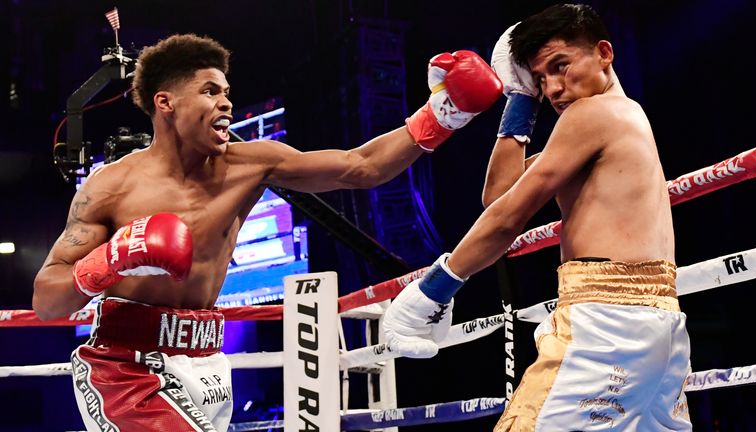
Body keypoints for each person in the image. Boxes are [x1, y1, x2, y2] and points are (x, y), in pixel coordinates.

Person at [32, 34, 502, 431]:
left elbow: (362, 166)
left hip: (208, 363)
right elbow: (47, 299)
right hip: (125, 366)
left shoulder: (250, 164)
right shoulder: (110, 186)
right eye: (210, 91)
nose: (226, 102)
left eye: (227, 91)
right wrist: (108, 259)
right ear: (166, 103)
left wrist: (443, 112)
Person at [382, 4, 692, 431]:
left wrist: (433, 290)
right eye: (540, 80)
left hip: (607, 323)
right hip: (661, 328)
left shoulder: (592, 115)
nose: (554, 89)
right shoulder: (618, 118)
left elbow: (508, 216)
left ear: (604, 53)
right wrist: (520, 99)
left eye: (560, 67)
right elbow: (499, 193)